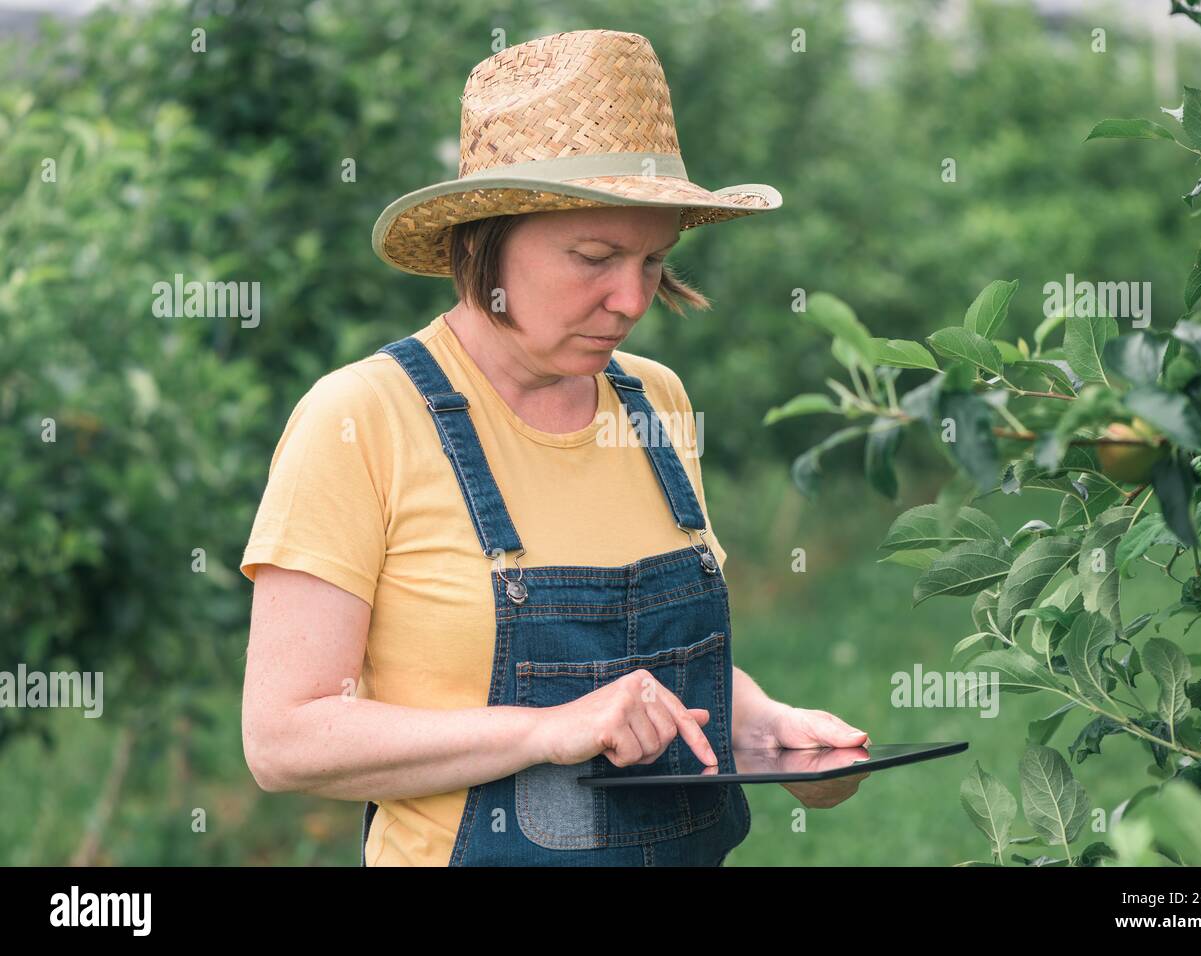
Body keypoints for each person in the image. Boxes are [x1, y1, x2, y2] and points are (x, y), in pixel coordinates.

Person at [239, 28, 871, 867]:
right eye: (595, 257)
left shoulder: (655, 405)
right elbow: (285, 739)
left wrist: (770, 730)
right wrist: (546, 731)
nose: (630, 298)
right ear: (485, 238)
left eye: (653, 261)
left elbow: (654, 676)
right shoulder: (361, 419)